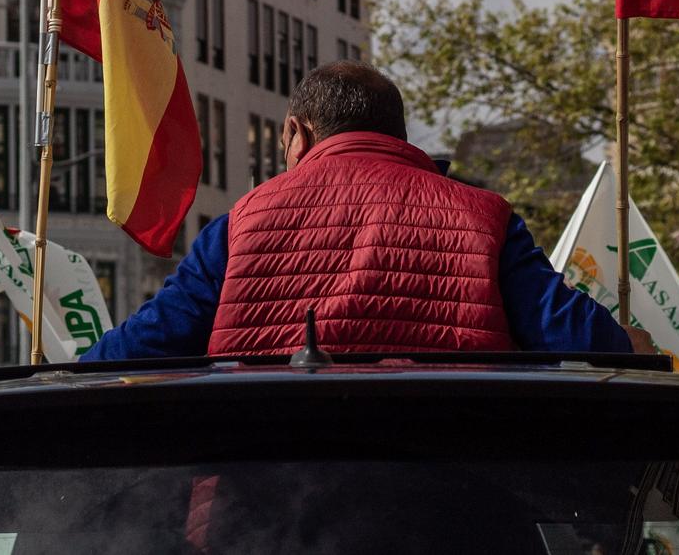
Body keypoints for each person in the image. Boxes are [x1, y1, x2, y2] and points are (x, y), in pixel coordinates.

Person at [83, 61, 649, 360]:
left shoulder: (243, 223)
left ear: (293, 134)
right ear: (402, 137)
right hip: (454, 507)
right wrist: (631, 345)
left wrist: (56, 374)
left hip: (263, 514)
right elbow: (571, 334)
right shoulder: (485, 217)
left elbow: (142, 345)